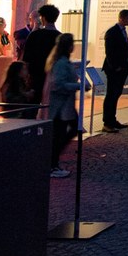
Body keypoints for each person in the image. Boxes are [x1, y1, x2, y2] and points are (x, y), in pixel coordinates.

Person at [46, 32, 85, 179]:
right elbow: (58, 84)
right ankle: (52, 164)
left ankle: (53, 162)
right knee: (61, 135)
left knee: (65, 132)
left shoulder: (61, 61)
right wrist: (78, 86)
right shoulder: (62, 63)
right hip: (60, 106)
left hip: (64, 106)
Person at [20, 4, 61, 109]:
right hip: (53, 77)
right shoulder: (60, 37)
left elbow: (26, 57)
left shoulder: (34, 35)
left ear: (43, 18)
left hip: (36, 76)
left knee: (32, 107)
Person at [101, 9, 128, 132]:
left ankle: (112, 120)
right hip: (114, 69)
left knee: (116, 94)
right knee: (111, 95)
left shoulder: (122, 31)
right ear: (122, 18)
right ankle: (107, 122)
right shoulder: (112, 32)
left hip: (123, 68)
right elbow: (109, 52)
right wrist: (116, 67)